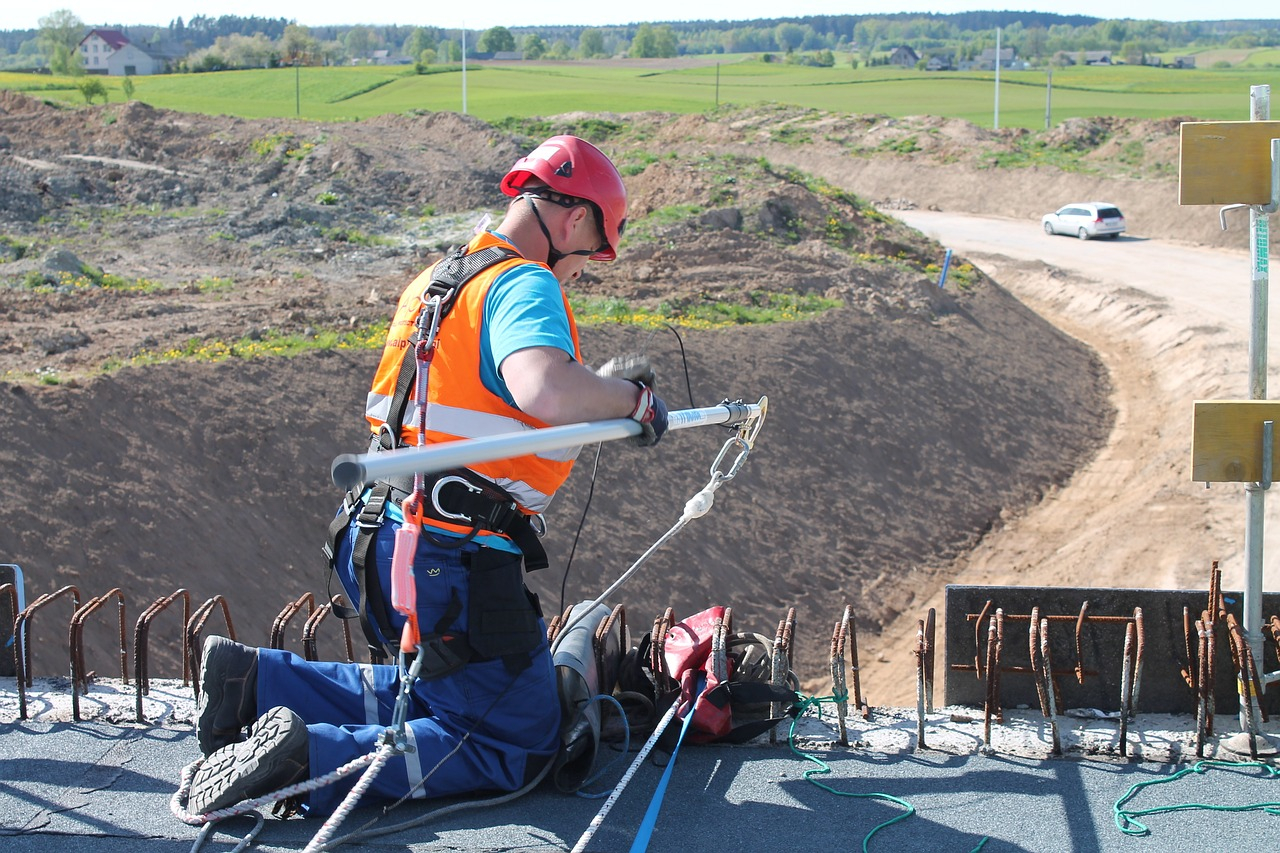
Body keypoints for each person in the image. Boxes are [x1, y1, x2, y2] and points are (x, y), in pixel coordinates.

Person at [188, 135, 669, 815]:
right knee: (515, 739)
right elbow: (543, 390)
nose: (583, 270)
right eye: (591, 252)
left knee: (451, 692)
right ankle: (308, 756)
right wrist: (634, 401)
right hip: (452, 553)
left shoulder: (443, 277)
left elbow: (475, 401)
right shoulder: (524, 280)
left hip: (379, 532)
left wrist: (600, 390)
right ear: (572, 220)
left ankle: (256, 682)